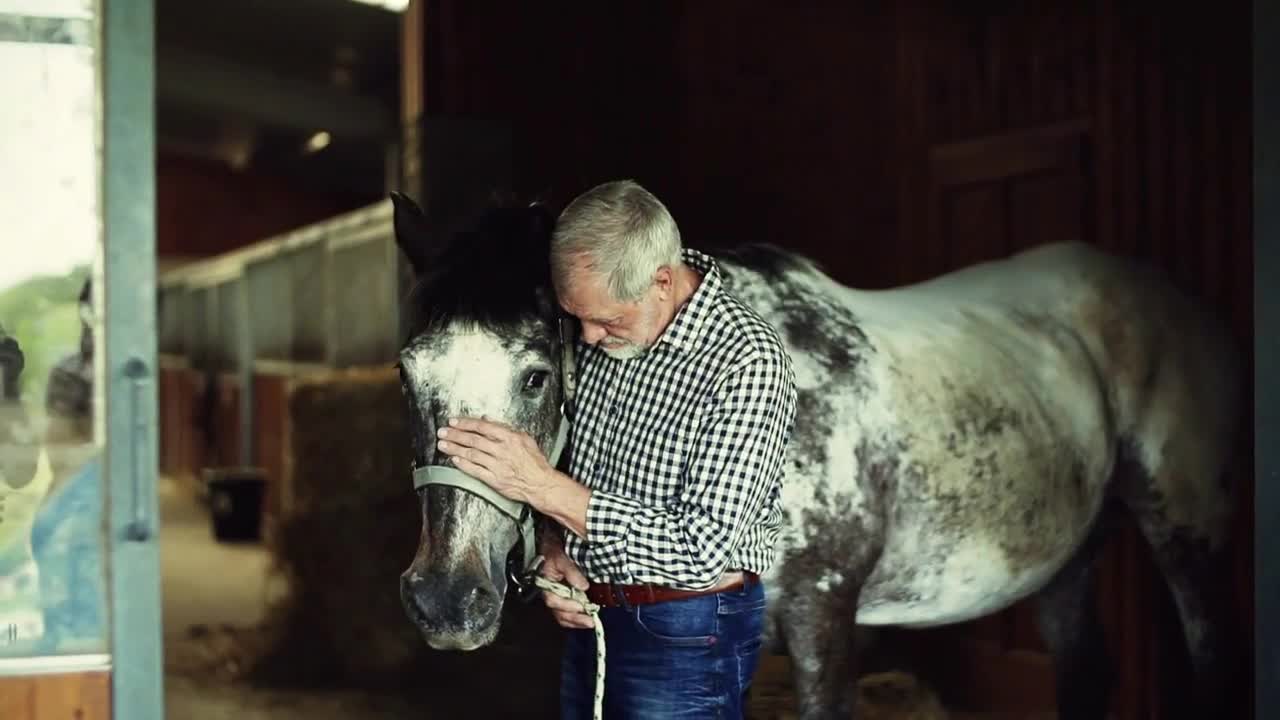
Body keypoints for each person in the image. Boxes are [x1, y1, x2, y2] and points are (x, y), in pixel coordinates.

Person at [434, 179, 798, 718]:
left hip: (686, 630)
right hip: (592, 615)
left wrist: (540, 487)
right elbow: (587, 471)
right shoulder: (614, 330)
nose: (587, 338)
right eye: (575, 317)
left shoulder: (746, 362)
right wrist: (556, 549)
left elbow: (699, 549)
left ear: (662, 281)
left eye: (605, 320)